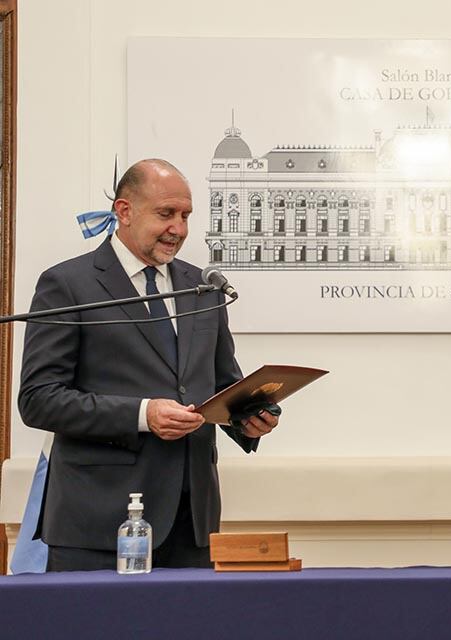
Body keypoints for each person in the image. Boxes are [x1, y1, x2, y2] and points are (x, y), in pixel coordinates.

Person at [18, 158, 279, 571]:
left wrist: (248, 418)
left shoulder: (203, 287)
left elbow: (222, 387)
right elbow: (38, 400)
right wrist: (143, 414)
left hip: (191, 523)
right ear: (124, 211)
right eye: (166, 214)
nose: (179, 228)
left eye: (185, 216)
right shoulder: (68, 284)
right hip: (98, 524)